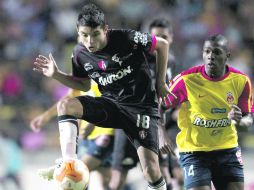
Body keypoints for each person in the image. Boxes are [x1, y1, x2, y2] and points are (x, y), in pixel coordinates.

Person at [33, 3, 174, 190]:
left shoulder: (126, 37)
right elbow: (83, 84)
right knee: (65, 106)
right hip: (111, 105)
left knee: (150, 170)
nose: (90, 41)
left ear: (105, 30)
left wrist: (161, 83)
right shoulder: (79, 53)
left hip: (141, 108)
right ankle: (69, 163)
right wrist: (57, 74)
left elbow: (162, 45)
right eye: (84, 35)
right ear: (78, 32)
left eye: (95, 35)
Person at [165, 34, 253, 190]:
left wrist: (240, 120)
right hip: (194, 152)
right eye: (207, 51)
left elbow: (248, 121)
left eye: (217, 52)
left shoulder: (241, 81)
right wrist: (160, 134)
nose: (211, 56)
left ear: (227, 56)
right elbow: (158, 106)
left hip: (227, 150)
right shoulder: (187, 80)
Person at [109, 18, 183, 190]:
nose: (161, 40)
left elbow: (167, 95)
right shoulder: (138, 60)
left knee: (162, 173)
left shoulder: (170, 61)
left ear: (171, 38)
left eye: (164, 36)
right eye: (156, 37)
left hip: (154, 123)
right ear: (148, 38)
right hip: (130, 122)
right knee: (117, 180)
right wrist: (162, 132)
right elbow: (150, 98)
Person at [30, 82, 114, 190]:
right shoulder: (80, 71)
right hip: (85, 135)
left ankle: (61, 169)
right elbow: (69, 98)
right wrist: (46, 116)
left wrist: (94, 122)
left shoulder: (105, 69)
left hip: (105, 132)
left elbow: (114, 100)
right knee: (104, 182)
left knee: (74, 175)